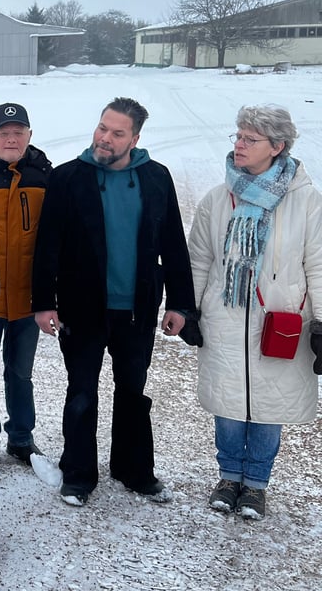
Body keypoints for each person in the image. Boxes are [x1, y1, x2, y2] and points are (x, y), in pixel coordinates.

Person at [31, 96, 196, 507]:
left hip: (137, 308)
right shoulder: (69, 178)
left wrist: (179, 304)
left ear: (135, 138)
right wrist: (43, 302)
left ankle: (134, 469)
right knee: (82, 391)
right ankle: (78, 473)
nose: (105, 138)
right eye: (102, 128)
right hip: (81, 306)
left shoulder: (156, 177)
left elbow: (174, 244)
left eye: (117, 133)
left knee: (132, 391)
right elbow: (46, 244)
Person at [186, 105, 322, 520]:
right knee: (229, 406)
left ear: (277, 146)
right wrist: (189, 309)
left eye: (250, 138)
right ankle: (229, 478)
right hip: (225, 316)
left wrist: (321, 322)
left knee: (269, 405)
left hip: (281, 323)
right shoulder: (217, 198)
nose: (239, 144)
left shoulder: (306, 201)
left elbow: (317, 262)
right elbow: (200, 259)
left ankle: (256, 486)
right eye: (238, 136)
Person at [0, 102, 52, 478]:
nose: (12, 138)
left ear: (30, 136)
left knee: (20, 373)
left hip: (27, 298)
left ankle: (21, 438)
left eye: (19, 132)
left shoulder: (43, 175)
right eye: (4, 133)